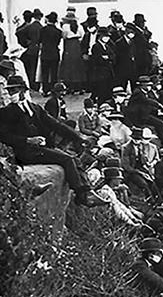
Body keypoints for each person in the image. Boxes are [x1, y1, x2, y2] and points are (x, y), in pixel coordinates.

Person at [0, 75, 103, 207]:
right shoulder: (6, 112)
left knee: (74, 159)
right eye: (9, 91)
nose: (10, 94)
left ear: (22, 90)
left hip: (41, 149)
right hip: (25, 152)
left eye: (13, 90)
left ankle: (86, 193)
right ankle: (82, 195)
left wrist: (79, 138)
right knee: (67, 159)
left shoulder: (35, 108)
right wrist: (27, 140)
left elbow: (56, 125)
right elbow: (3, 136)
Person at [38, 11, 62, 95]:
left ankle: (45, 90)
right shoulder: (58, 31)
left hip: (45, 53)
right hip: (55, 53)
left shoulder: (42, 30)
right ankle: (53, 89)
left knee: (45, 73)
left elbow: (39, 41)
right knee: (54, 73)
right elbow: (58, 42)